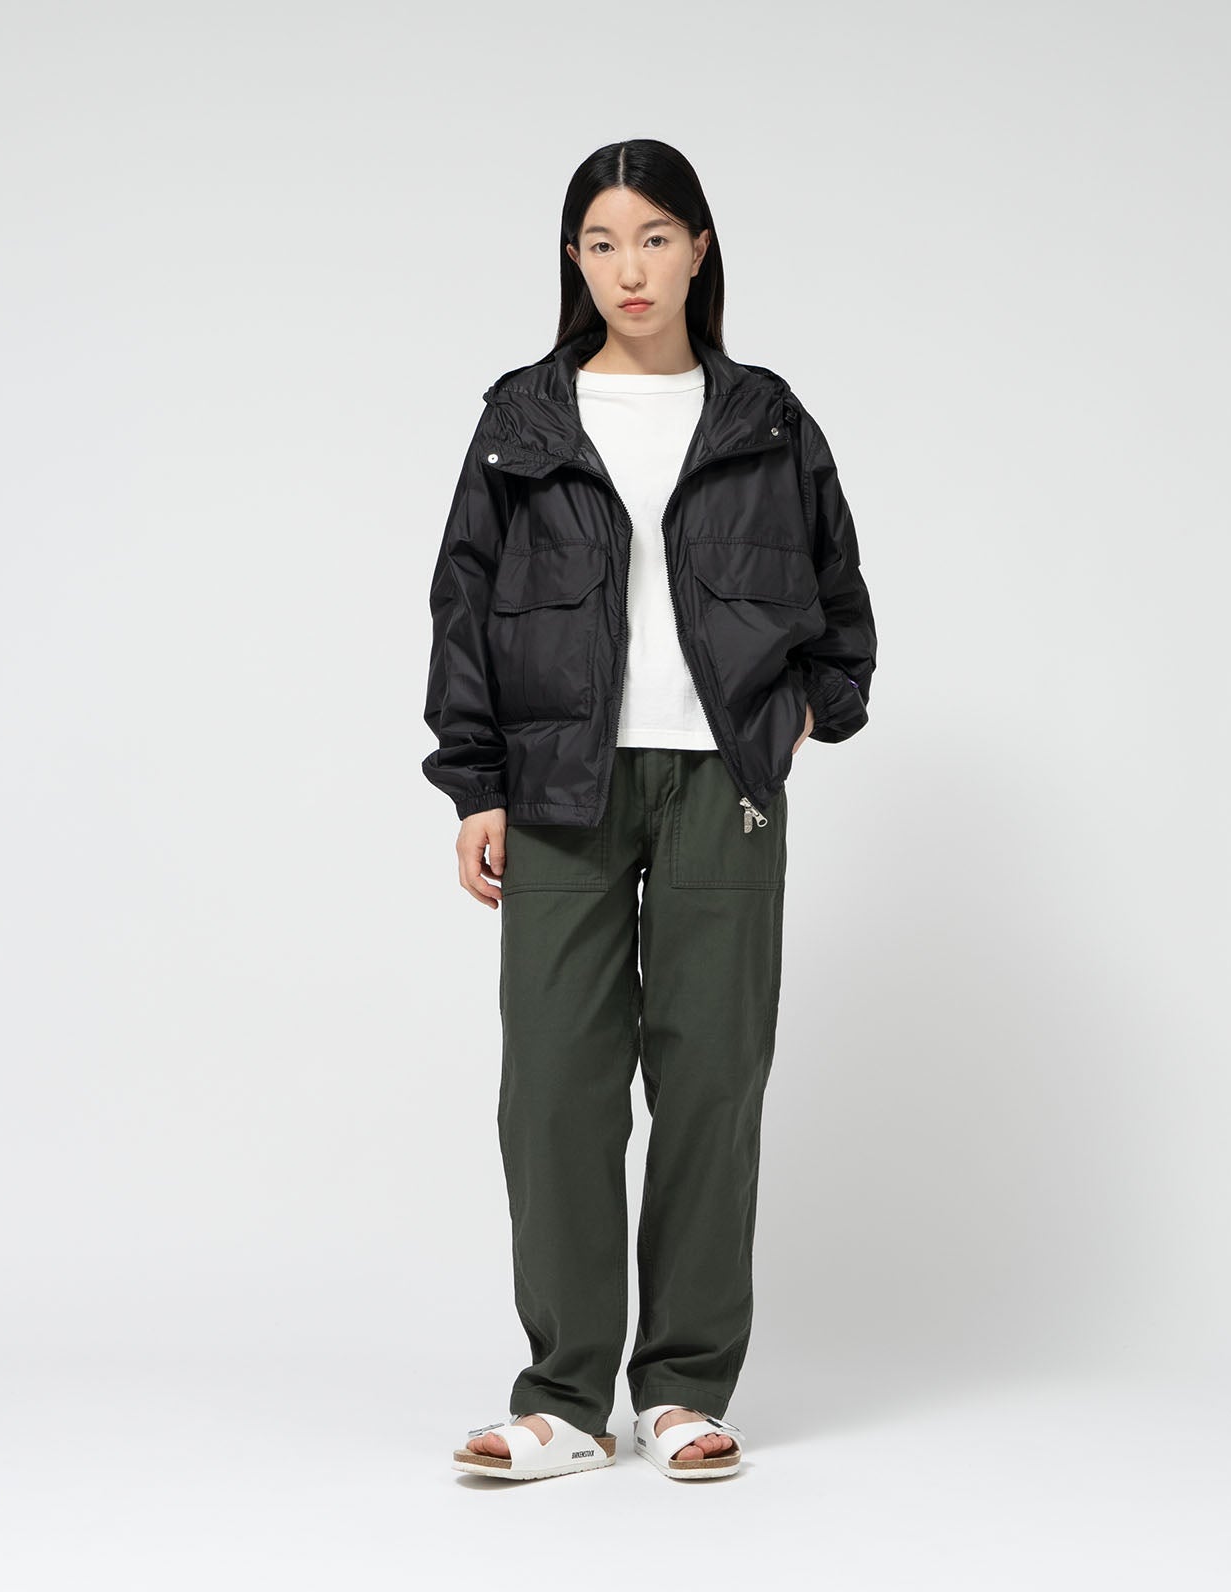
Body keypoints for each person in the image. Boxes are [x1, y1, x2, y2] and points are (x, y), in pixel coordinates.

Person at [423, 139, 877, 1482]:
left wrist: (803, 712)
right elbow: (464, 607)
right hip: (561, 779)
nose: (632, 268)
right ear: (575, 260)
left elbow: (839, 603)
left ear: (700, 249)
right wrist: (476, 784)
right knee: (555, 1083)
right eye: (604, 242)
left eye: (657, 237)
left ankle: (682, 1387)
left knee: (712, 1078)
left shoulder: (765, 419)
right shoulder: (523, 418)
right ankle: (565, 1401)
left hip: (719, 783)